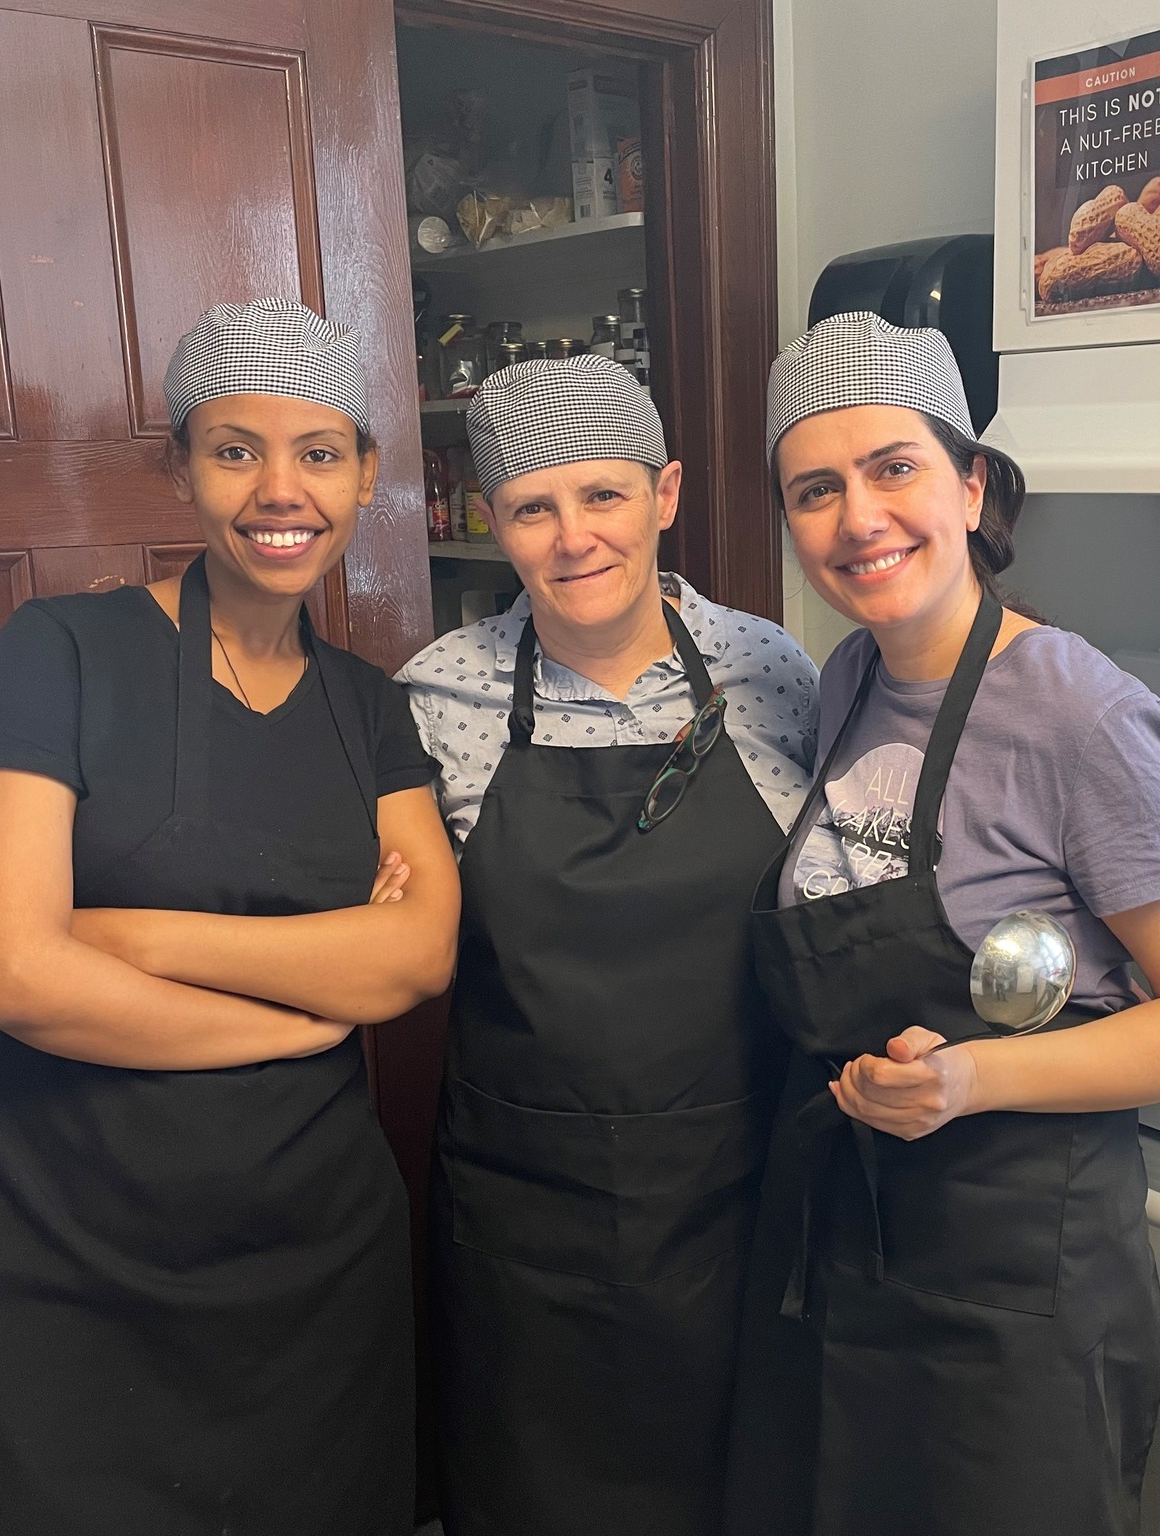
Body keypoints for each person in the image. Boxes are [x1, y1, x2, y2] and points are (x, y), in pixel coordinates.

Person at [0, 297, 460, 1535]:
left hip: (308, 1292)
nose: (278, 490)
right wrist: (293, 1019)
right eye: (235, 450)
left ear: (364, 476)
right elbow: (12, 974)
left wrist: (123, 936)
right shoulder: (59, 654)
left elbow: (416, 953)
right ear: (179, 466)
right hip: (49, 1278)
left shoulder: (368, 709)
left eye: (319, 453)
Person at [724, 311, 1160, 1535]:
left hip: (1014, 1271)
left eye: (894, 468)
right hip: (850, 1242)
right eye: (814, 489)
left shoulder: (1083, 719)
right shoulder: (847, 678)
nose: (856, 517)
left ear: (972, 486)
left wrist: (969, 1078)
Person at [398, 353, 819, 1536]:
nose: (572, 536)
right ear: (496, 521)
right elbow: (385, 934)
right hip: (522, 1222)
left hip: (732, 1202)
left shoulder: (772, 673)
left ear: (665, 493)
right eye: (533, 507)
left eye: (603, 496)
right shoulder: (434, 699)